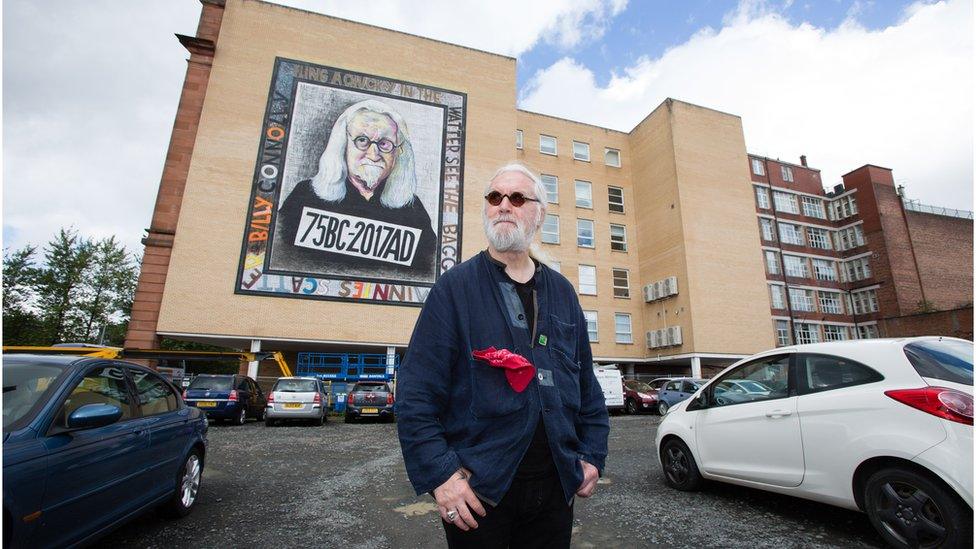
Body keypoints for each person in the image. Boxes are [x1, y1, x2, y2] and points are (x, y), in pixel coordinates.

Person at [396, 163, 610, 548]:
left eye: (516, 198)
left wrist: (592, 455)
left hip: (555, 491)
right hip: (479, 495)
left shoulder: (562, 292)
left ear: (539, 213)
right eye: (495, 197)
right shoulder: (454, 289)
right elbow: (416, 396)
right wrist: (442, 477)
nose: (504, 205)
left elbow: (587, 390)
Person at [273, 99, 437, 281]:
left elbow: (427, 272)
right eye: (362, 140)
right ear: (343, 145)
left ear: (397, 153)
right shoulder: (306, 195)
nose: (374, 155)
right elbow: (279, 256)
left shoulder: (413, 210)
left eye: (384, 144)